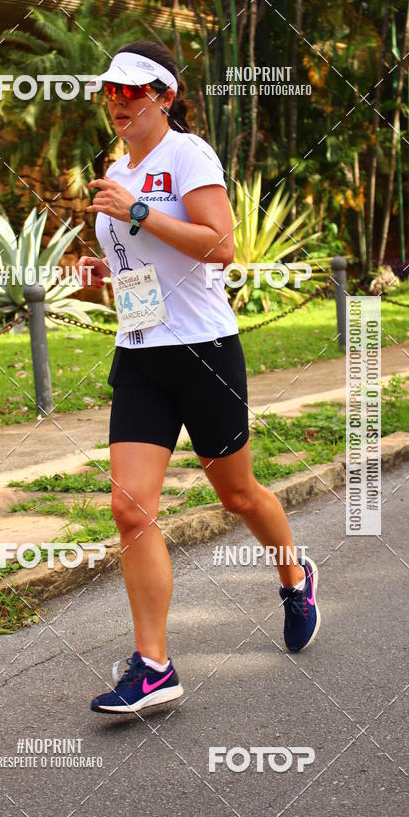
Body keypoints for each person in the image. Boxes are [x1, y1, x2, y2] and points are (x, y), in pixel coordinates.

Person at [77, 41, 321, 716]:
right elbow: (141, 259)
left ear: (163, 95)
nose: (118, 102)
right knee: (130, 508)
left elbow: (220, 244)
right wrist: (111, 274)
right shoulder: (114, 168)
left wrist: (135, 211)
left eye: (132, 91)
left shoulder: (189, 156)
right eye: (111, 91)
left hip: (205, 352)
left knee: (238, 494)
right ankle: (154, 666)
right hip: (141, 354)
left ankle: (295, 578)